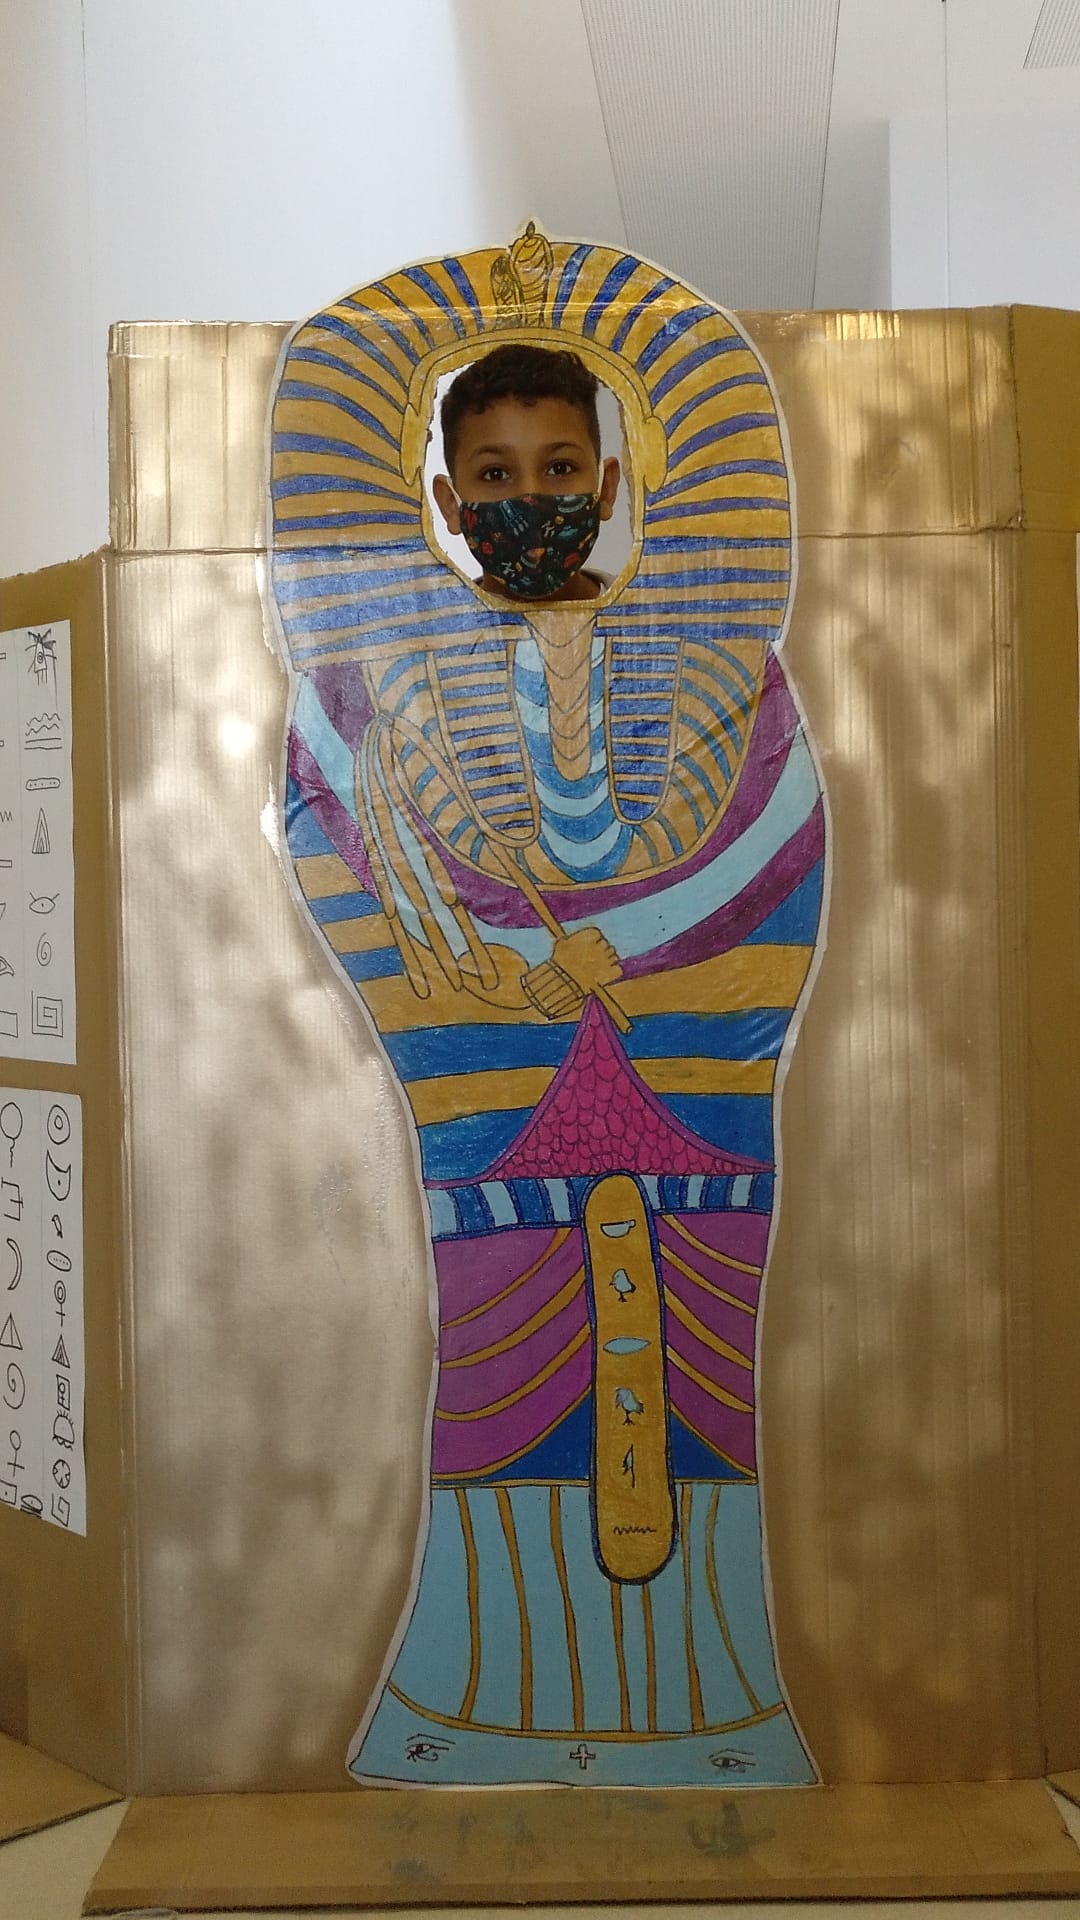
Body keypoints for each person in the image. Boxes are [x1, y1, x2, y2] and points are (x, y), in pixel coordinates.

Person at [272, 240, 825, 1788]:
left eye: (561, 469)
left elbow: (770, 852)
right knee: (503, 1334)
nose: (531, 497)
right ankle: (475, 1698)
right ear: (444, 501)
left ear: (615, 479)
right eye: (497, 475)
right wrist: (513, 972)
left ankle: (715, 1703)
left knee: (698, 1354)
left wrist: (614, 952)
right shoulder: (380, 683)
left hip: (692, 1089)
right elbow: (349, 845)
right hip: (487, 1091)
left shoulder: (720, 669)